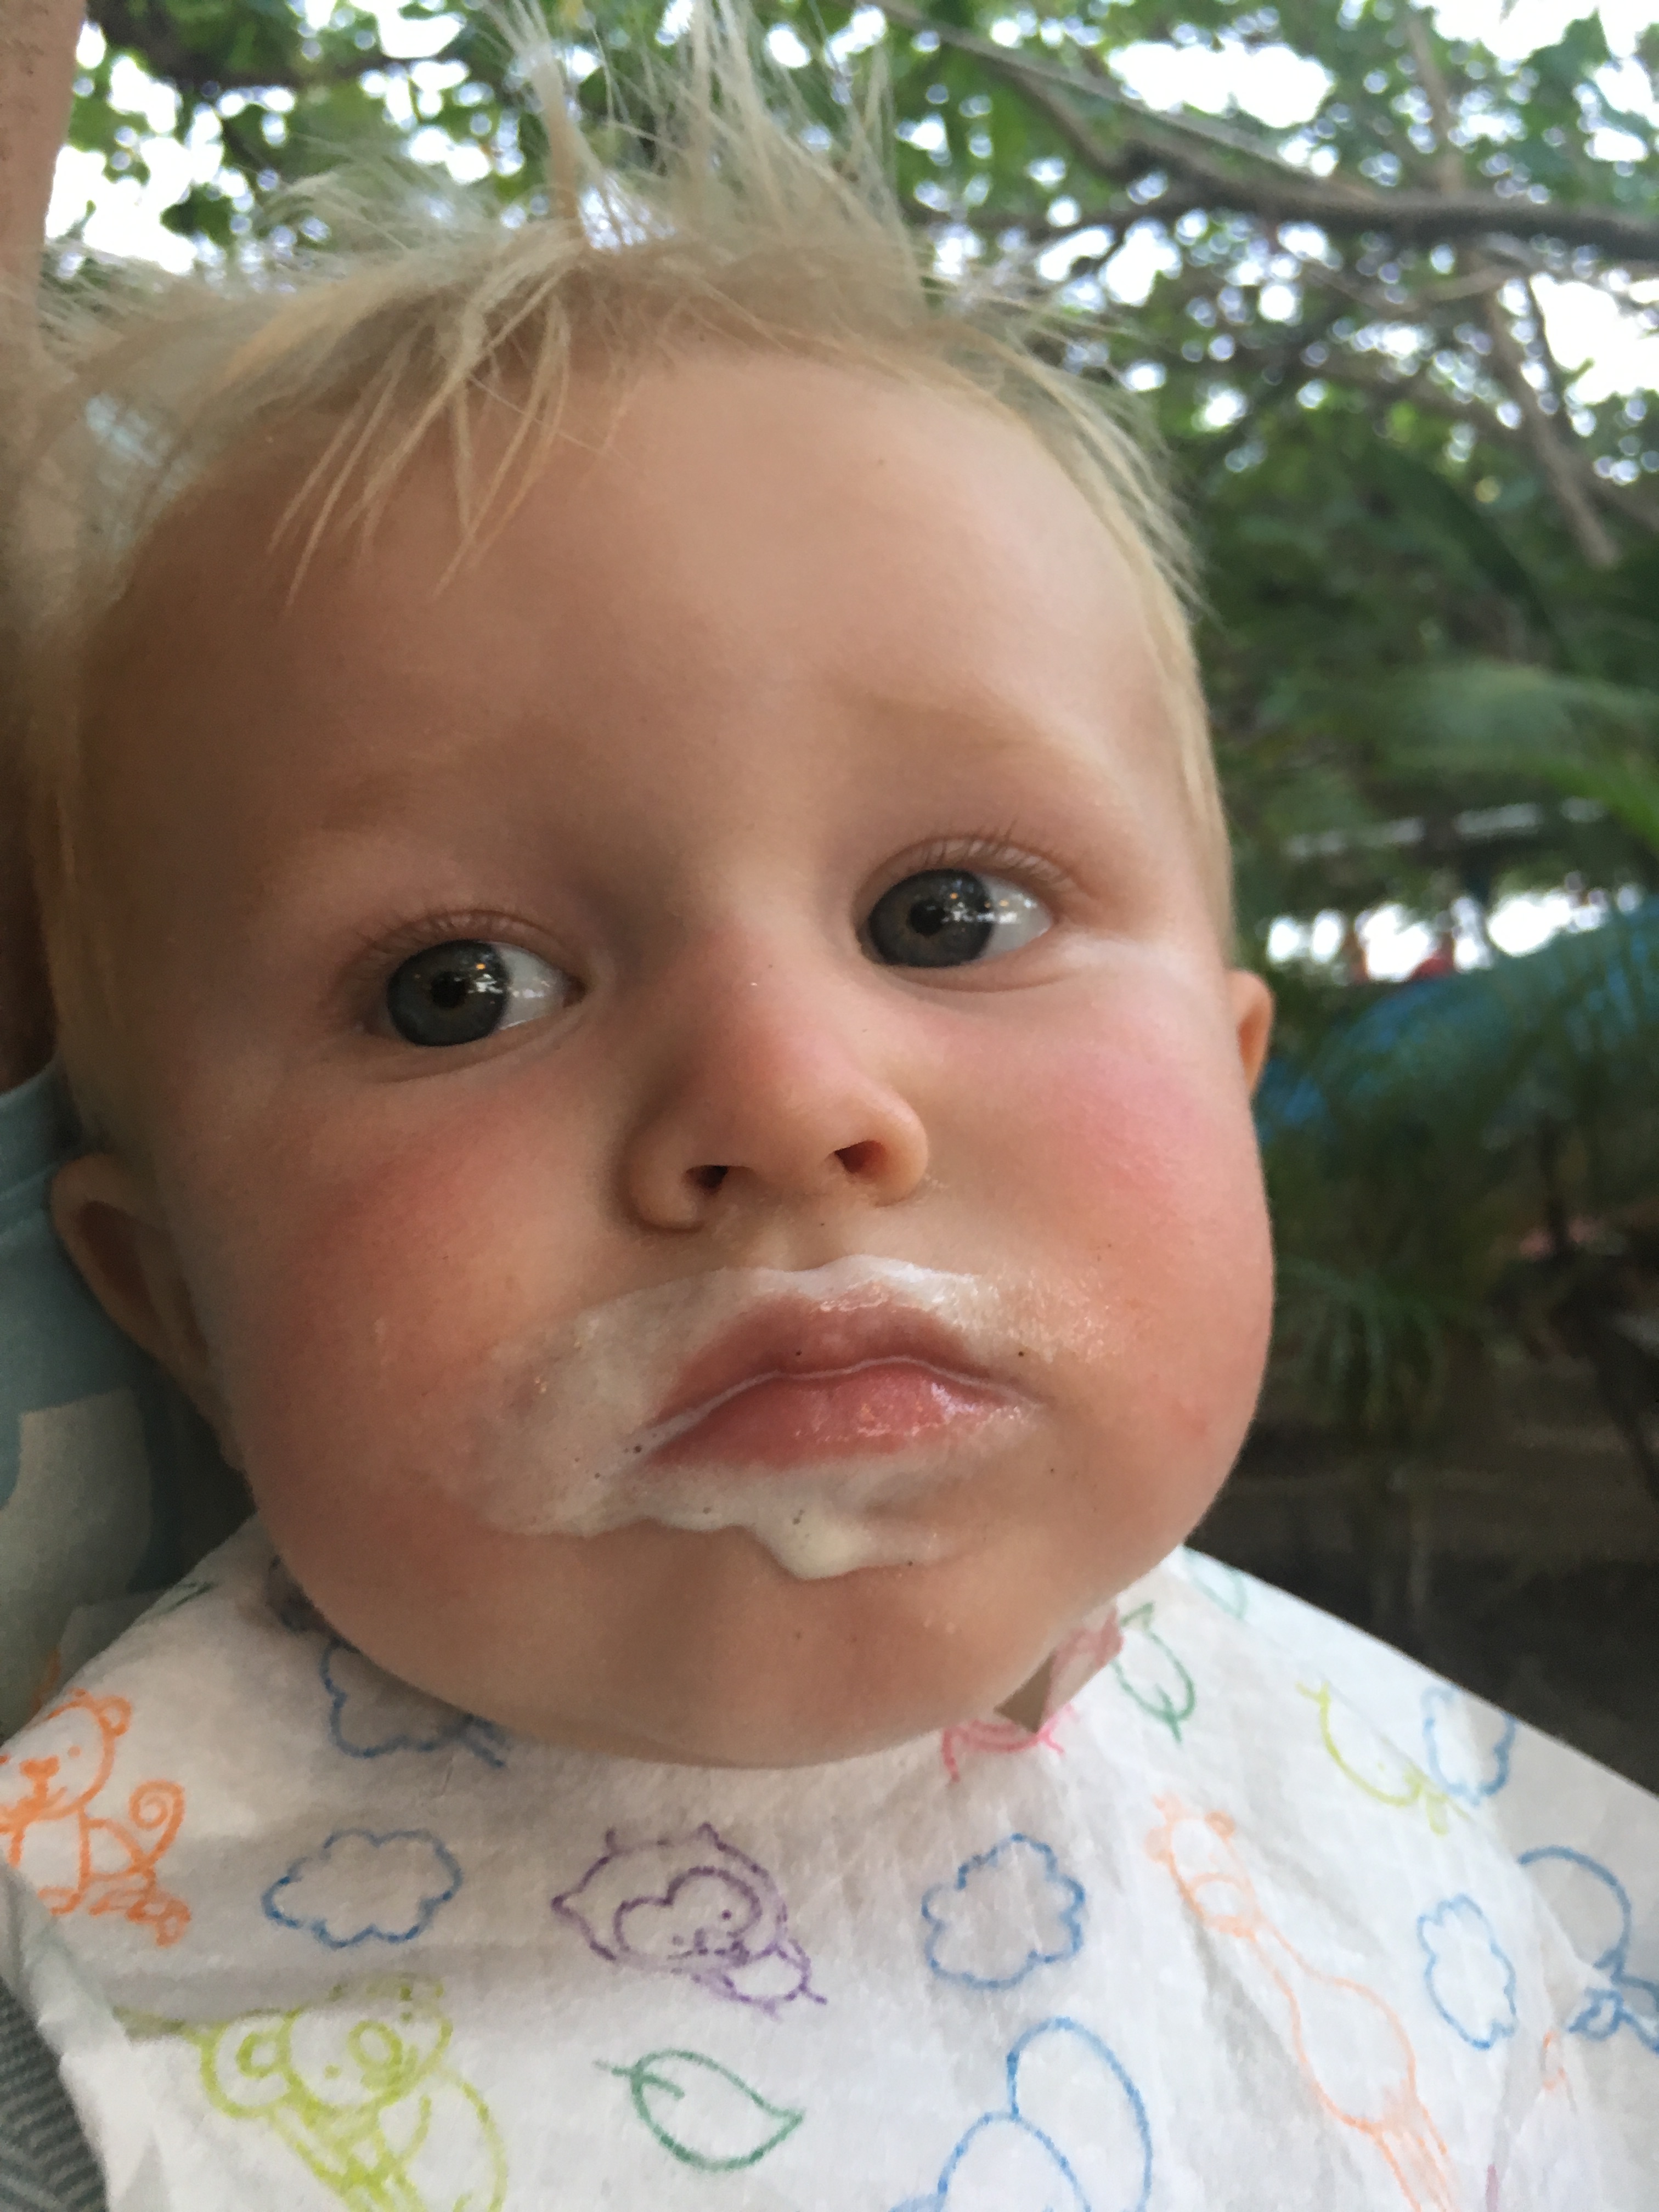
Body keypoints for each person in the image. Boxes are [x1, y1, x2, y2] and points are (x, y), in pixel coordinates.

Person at [1, 9, 1655, 2209]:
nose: (785, 1102)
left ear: (1232, 1083)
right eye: (458, 989)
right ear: (168, 1298)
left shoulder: (1444, 1856)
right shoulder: (84, 2071)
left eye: (950, 914)